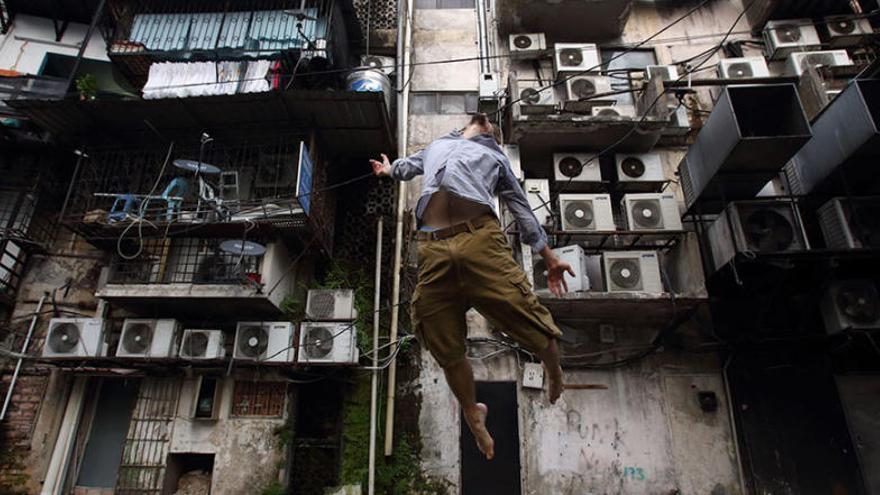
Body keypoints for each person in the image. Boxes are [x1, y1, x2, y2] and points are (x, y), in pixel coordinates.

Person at [370, 113, 572, 460]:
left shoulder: (496, 156)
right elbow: (407, 167)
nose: (487, 122)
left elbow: (520, 206)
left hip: (480, 240)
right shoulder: (437, 146)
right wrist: (388, 171)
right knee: (439, 335)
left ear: (490, 129)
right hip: (432, 247)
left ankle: (554, 369)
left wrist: (548, 257)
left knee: (526, 312)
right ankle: (472, 412)